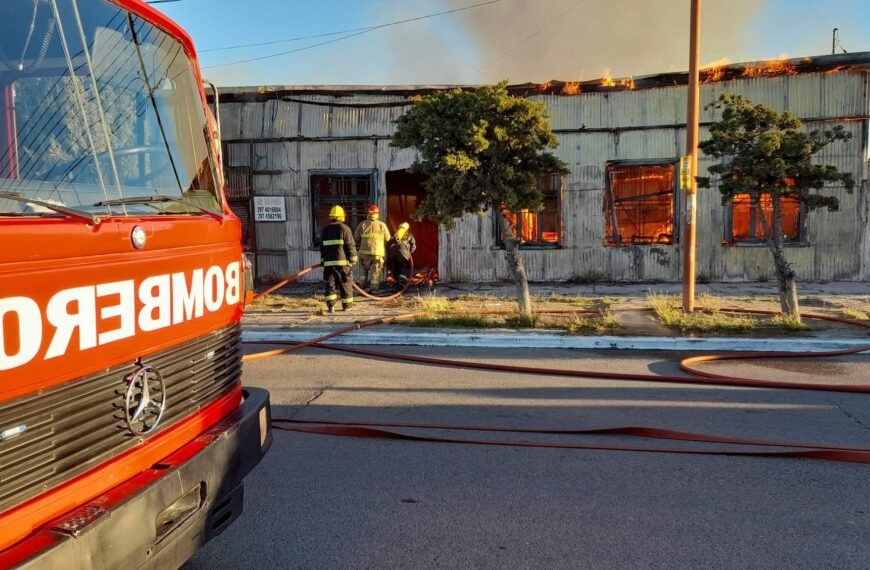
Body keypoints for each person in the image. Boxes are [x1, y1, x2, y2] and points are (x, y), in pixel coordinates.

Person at [320, 205, 357, 313]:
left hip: (329, 264)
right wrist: (353, 258)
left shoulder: (325, 229)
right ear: (342, 217)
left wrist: (323, 260)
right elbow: (350, 244)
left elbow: (322, 247)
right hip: (343, 264)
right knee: (345, 284)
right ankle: (346, 306)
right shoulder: (345, 229)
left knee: (330, 285)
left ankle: (331, 306)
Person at [354, 204, 390, 290]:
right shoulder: (382, 225)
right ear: (377, 214)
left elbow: (356, 238)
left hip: (364, 253)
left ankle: (362, 288)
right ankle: (373, 290)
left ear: (369, 214)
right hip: (377, 254)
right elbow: (388, 238)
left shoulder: (362, 224)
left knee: (363, 271)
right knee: (375, 272)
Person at [387, 222, 416, 291]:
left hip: (393, 253)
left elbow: (388, 243)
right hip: (403, 252)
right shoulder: (409, 235)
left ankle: (396, 282)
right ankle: (401, 283)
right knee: (404, 267)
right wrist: (408, 253)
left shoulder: (394, 234)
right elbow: (413, 247)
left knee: (395, 266)